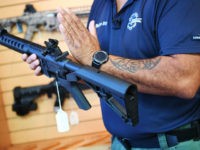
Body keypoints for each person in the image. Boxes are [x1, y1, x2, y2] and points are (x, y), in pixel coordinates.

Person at [22, 0, 200, 149]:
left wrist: (95, 57)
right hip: (119, 143)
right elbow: (98, 73)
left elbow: (184, 79)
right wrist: (59, 65)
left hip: (173, 143)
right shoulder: (100, 5)